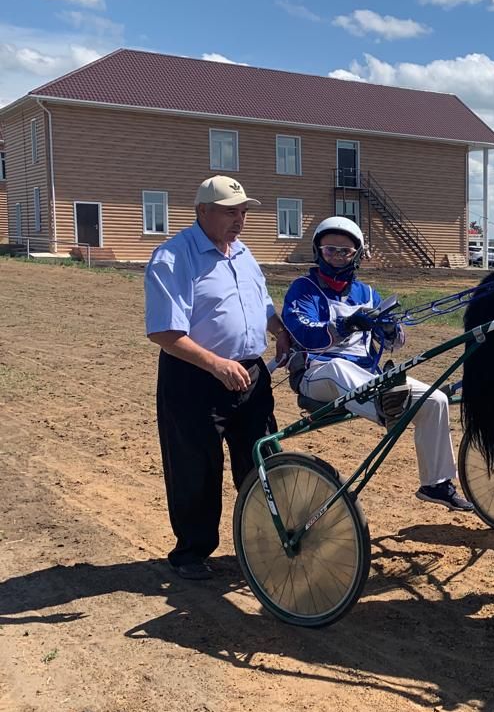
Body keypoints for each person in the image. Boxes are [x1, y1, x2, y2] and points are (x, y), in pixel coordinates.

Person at [145, 176, 291, 580]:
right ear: (203, 211)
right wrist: (215, 364)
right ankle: (191, 553)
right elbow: (164, 332)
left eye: (243, 211)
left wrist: (279, 330)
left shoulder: (243, 254)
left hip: (249, 374)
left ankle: (263, 544)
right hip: (195, 379)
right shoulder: (174, 258)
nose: (239, 220)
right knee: (196, 466)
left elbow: (261, 304)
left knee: (262, 459)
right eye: (230, 211)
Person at [281, 216, 474, 511]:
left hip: (366, 380)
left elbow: (398, 341)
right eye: (330, 249)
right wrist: (345, 326)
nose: (336, 257)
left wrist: (388, 330)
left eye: (344, 251)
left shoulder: (368, 293)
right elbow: (303, 333)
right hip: (316, 374)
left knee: (435, 400)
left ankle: (436, 484)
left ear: (356, 255)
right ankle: (389, 409)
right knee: (338, 368)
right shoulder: (303, 289)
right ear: (318, 250)